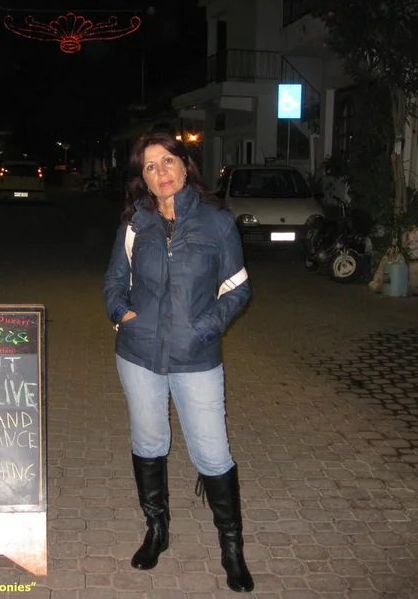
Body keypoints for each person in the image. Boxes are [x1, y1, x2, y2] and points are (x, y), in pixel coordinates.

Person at [103, 132, 254, 593]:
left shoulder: (217, 223)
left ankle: (231, 547)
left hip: (196, 355)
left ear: (186, 166)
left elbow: (237, 287)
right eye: (150, 166)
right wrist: (124, 316)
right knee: (149, 442)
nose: (161, 172)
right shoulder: (135, 224)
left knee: (212, 451)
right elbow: (114, 282)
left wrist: (206, 328)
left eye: (168, 160)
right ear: (144, 179)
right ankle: (157, 530)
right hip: (139, 354)